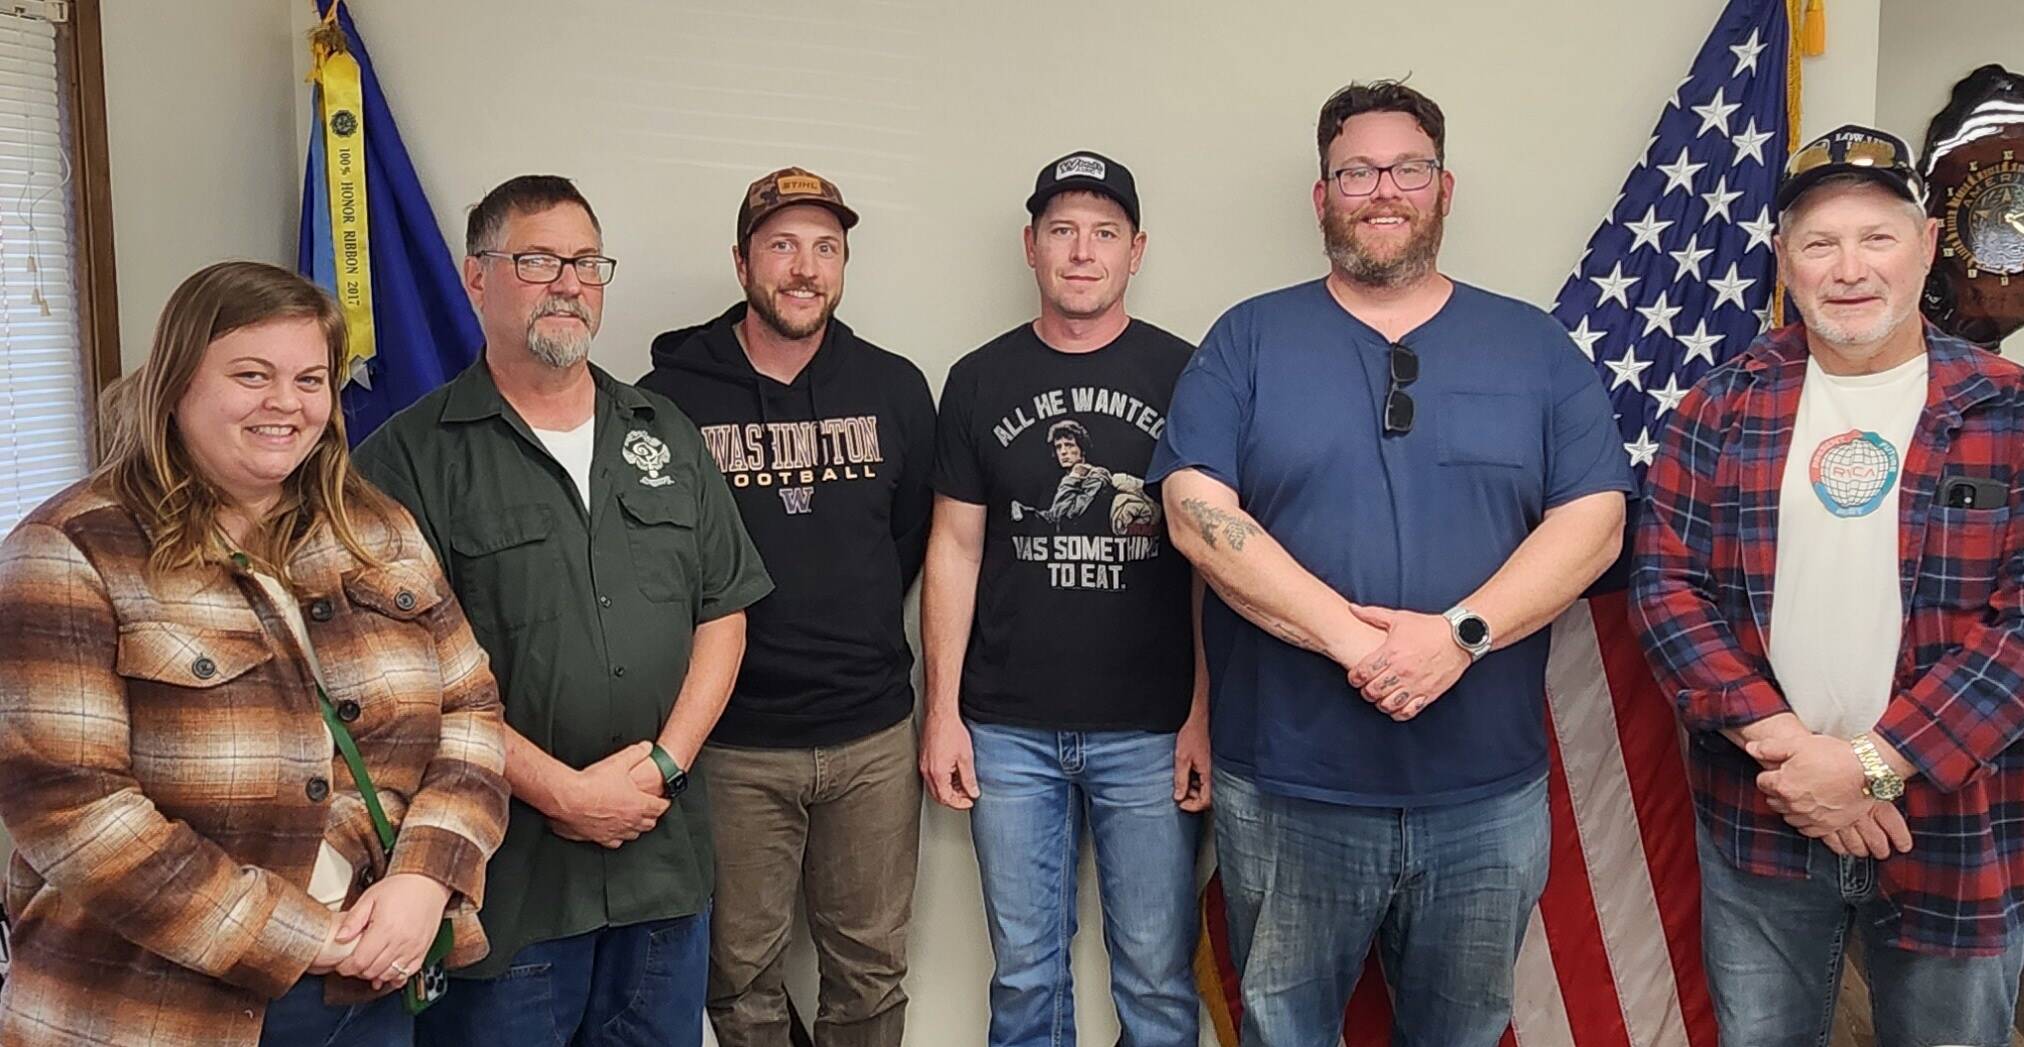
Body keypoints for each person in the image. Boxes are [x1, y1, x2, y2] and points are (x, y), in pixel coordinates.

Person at [1149, 80, 1631, 1046]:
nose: (1383, 190)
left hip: (1483, 795)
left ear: (1444, 189)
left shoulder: (1533, 346)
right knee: (1285, 1029)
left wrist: (1458, 636)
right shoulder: (1248, 338)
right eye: (1356, 172)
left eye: (1408, 169)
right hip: (1289, 786)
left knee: (1463, 1031)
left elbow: (1597, 520)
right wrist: (1356, 642)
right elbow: (1195, 512)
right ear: (1320, 196)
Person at [0, 261, 508, 1047]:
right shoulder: (69, 550)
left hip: (370, 984)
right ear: (178, 384)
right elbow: (74, 813)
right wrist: (304, 935)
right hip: (148, 1010)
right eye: (251, 375)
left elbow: (470, 710)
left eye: (310, 379)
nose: (286, 403)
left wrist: (426, 875)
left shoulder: (376, 529)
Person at [353, 175, 773, 1047]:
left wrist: (664, 764)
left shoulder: (665, 430)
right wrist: (567, 793)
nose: (569, 284)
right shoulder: (407, 459)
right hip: (510, 887)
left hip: (662, 872)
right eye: (538, 261)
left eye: (586, 262)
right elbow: (407, 681)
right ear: (476, 278)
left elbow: (723, 611)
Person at [1632, 124, 2024, 1046]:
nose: (1849, 269)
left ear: (1926, 245)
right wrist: (1791, 755)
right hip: (1765, 814)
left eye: (1876, 237)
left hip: (1956, 828)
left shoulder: (2008, 408)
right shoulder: (1721, 405)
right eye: (1820, 243)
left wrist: (1871, 766)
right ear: (1784, 260)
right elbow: (1666, 586)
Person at [637, 166, 934, 1046]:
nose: (805, 268)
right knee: (738, 978)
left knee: (870, 974)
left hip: (871, 735)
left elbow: (908, 538)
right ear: (741, 263)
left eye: (826, 248)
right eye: (782, 246)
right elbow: (656, 559)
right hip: (731, 742)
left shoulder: (895, 388)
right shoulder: (671, 399)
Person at [920, 150, 1207, 1047]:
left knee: (1157, 977)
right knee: (1026, 975)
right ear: (1031, 246)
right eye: (1063, 231)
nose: (1083, 251)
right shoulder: (978, 379)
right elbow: (954, 548)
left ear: (1136, 250)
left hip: (1152, 729)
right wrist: (942, 712)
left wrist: (1204, 711)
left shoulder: (1188, 374)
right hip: (1006, 731)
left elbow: (1213, 563)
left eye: (1105, 232)